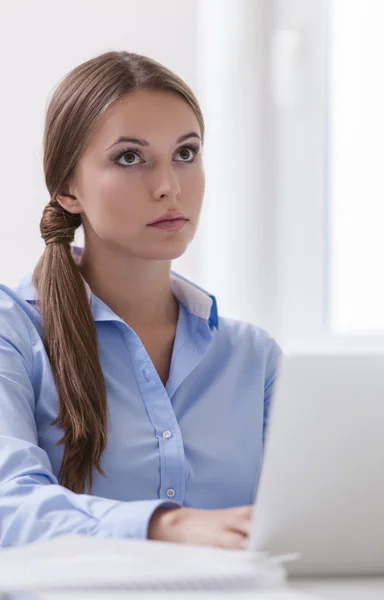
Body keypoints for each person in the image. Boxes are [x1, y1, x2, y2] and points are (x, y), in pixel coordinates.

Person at [0, 51, 282, 549]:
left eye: (186, 153)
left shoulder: (252, 357)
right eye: (129, 157)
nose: (169, 186)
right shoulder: (15, 333)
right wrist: (167, 525)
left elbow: (310, 519)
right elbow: (8, 507)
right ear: (68, 188)